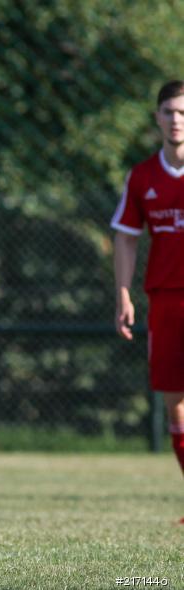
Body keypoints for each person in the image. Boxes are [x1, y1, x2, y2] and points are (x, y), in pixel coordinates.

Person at [112, 80, 184, 505]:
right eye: (170, 112)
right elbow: (126, 237)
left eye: (183, 112)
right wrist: (123, 294)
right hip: (166, 300)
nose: (177, 120)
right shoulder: (142, 176)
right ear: (158, 117)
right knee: (176, 405)